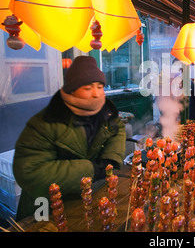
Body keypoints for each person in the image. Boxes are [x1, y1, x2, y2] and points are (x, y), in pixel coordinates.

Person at [13, 56, 126, 221]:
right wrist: (91, 170)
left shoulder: (105, 115)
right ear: (72, 90)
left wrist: (110, 159)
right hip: (43, 204)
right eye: (88, 88)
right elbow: (29, 172)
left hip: (82, 198)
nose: (96, 94)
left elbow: (118, 129)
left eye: (100, 86)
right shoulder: (45, 123)